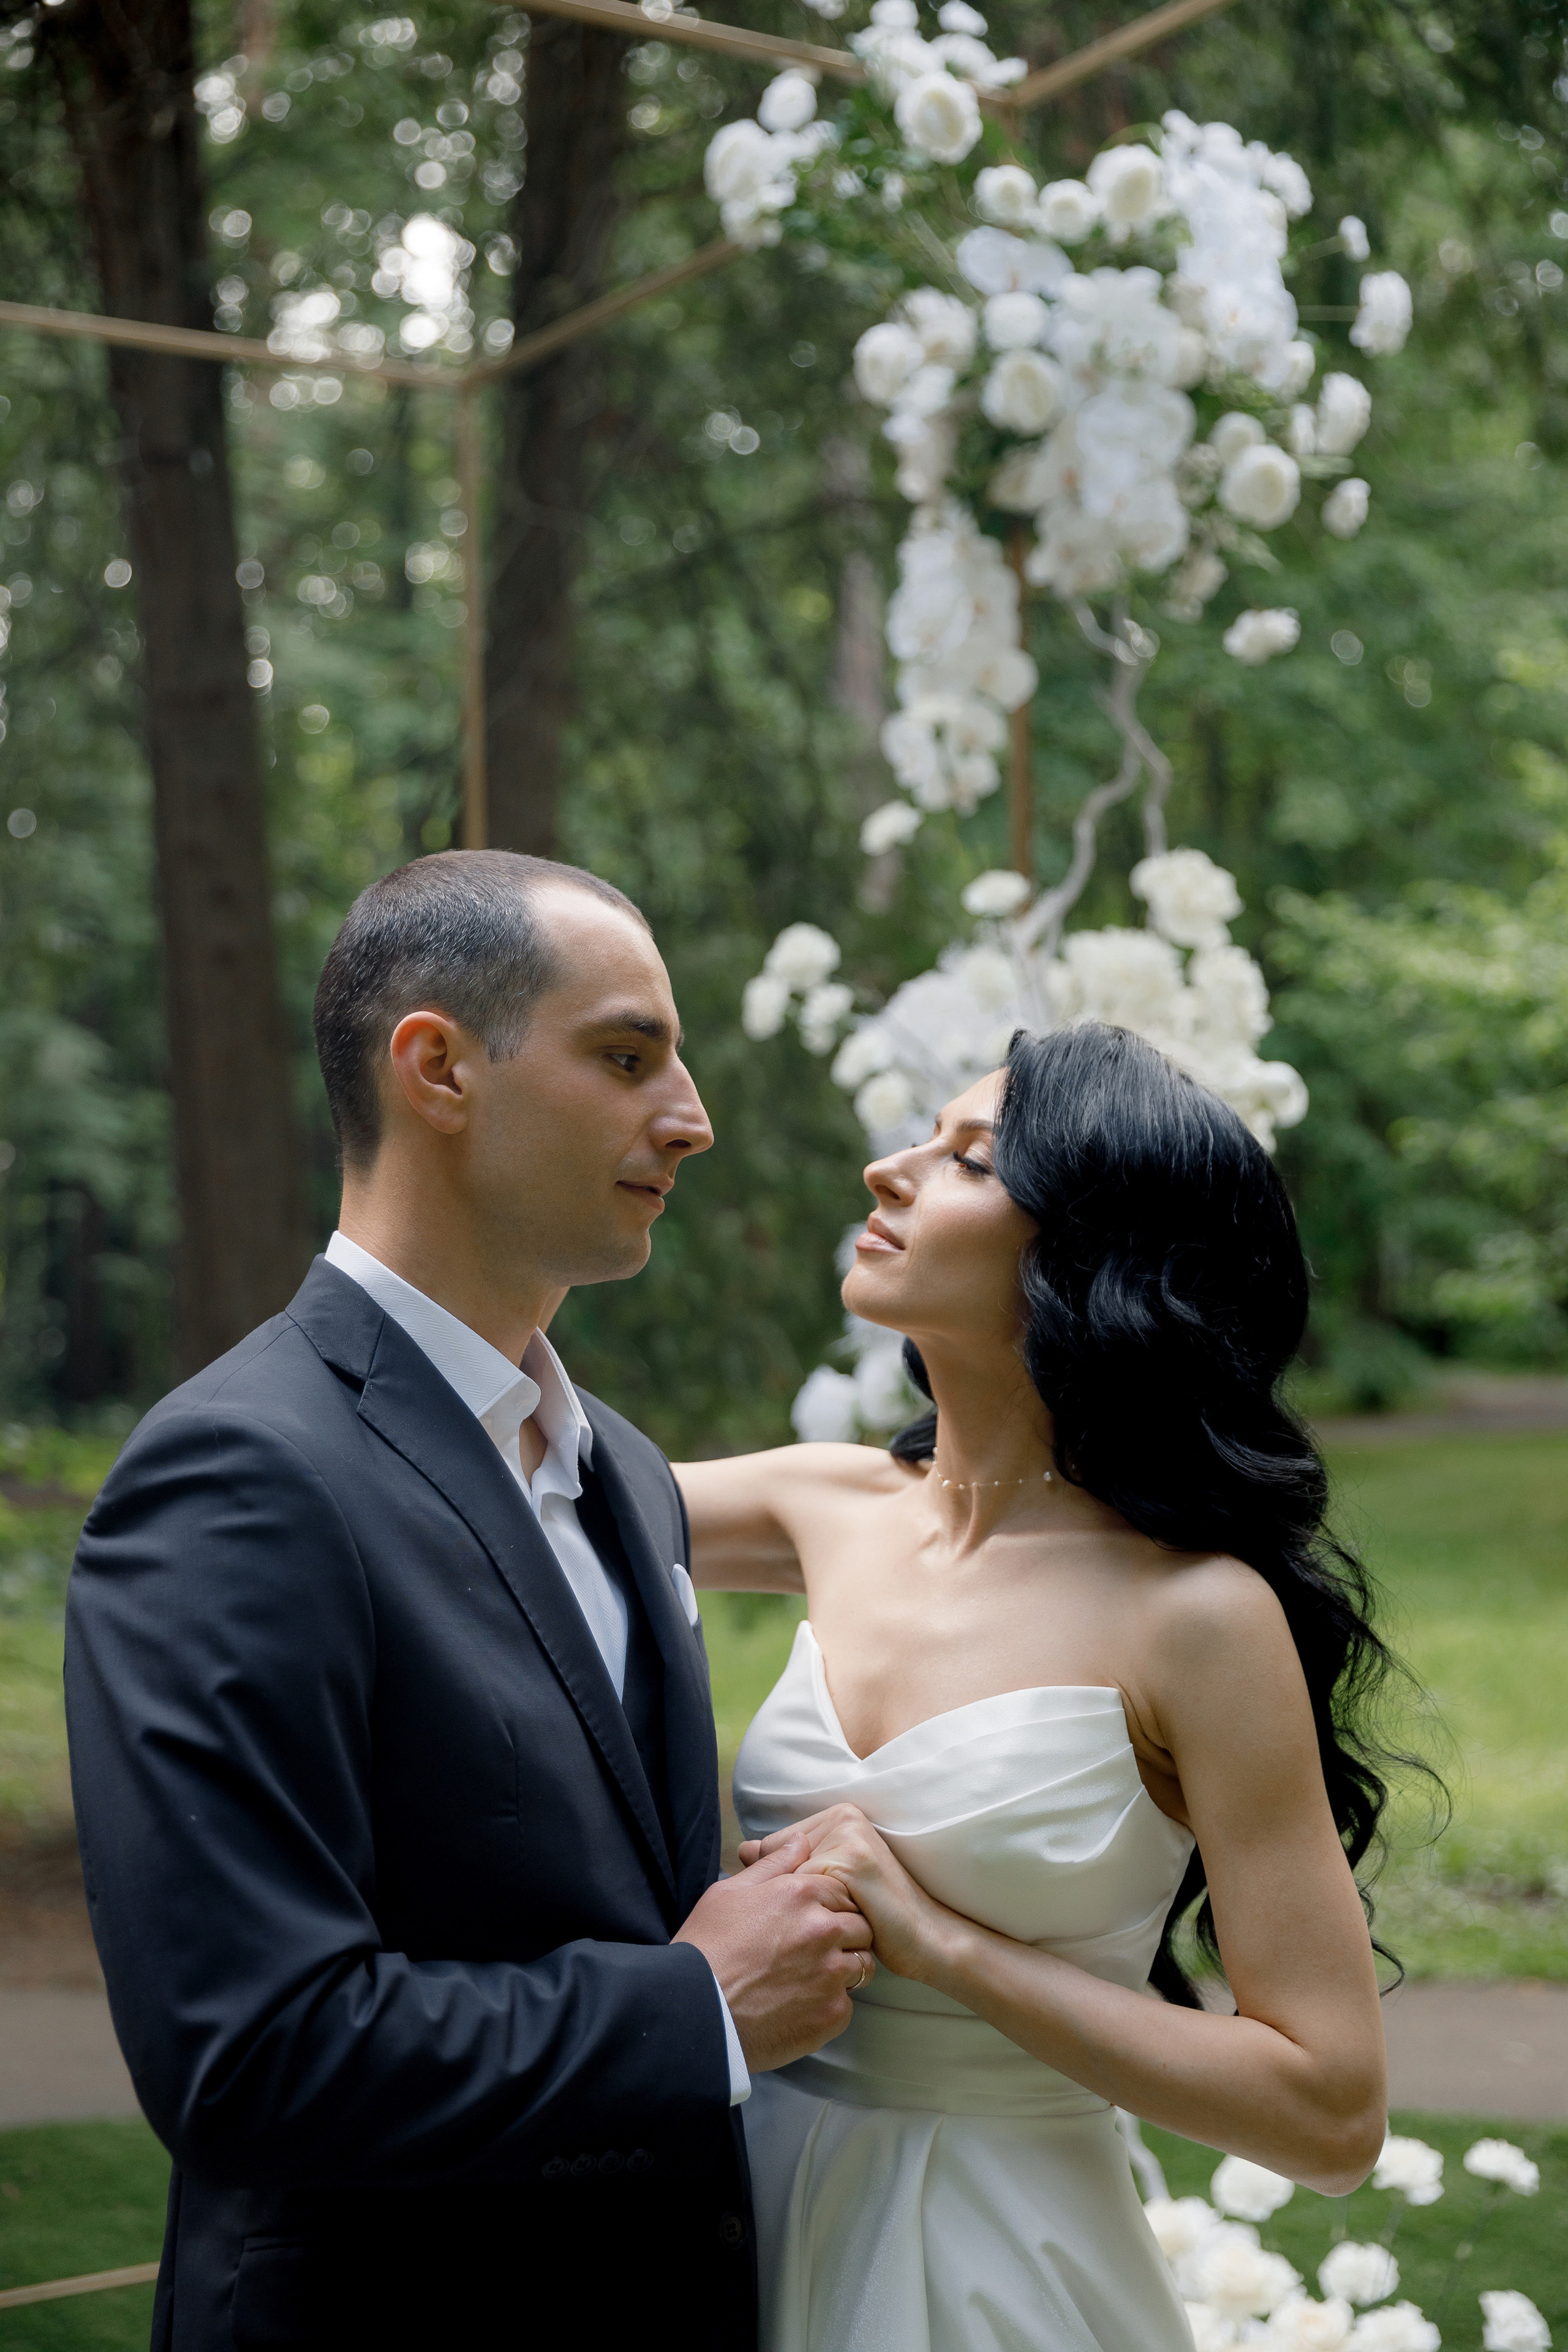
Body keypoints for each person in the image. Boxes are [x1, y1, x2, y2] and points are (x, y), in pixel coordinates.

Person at [64, 850, 873, 2352]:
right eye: (627, 1057)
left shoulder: (622, 1471)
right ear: (436, 1068)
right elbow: (250, 2061)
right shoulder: (238, 1475)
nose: (690, 1119)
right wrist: (694, 2008)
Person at [674, 1022, 1395, 2352]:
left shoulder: (1194, 1617)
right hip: (748, 2223)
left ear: (1085, 1251)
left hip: (1003, 2268)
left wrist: (945, 1946)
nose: (889, 1172)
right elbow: (491, 1509)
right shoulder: (815, 1501)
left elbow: (1330, 2113)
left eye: (964, 1160)